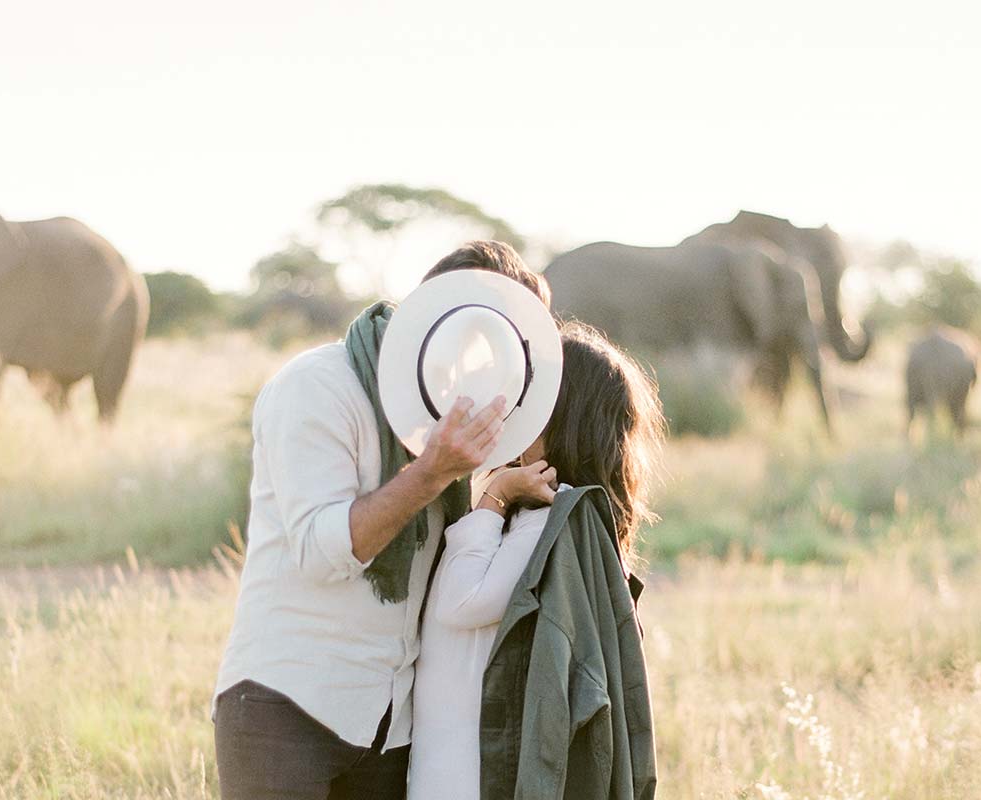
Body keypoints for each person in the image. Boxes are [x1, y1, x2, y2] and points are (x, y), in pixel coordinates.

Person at [211, 241, 551, 800]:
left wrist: (495, 495)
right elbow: (322, 556)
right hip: (285, 707)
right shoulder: (317, 385)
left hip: (390, 725)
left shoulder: (458, 415)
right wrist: (430, 474)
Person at [408, 321, 665, 799]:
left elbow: (460, 603)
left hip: (470, 775)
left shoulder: (547, 521)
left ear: (563, 419)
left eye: (531, 403)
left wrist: (497, 496)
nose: (511, 417)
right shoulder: (539, 520)